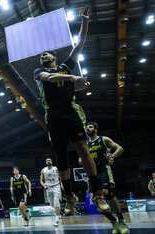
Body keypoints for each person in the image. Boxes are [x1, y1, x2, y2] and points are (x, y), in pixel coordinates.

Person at [33, 5, 109, 215]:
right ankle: (70, 197)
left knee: (83, 149)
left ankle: (98, 193)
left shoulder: (65, 65)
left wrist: (84, 20)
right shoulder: (39, 71)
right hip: (53, 115)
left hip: (71, 111)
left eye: (45, 54)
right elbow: (49, 78)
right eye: (41, 55)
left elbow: (80, 44)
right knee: (61, 159)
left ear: (54, 56)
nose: (42, 56)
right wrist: (72, 77)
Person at [83, 122, 129, 234]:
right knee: (95, 200)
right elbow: (80, 160)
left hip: (104, 169)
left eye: (90, 127)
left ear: (96, 129)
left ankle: (122, 221)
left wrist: (112, 155)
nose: (88, 128)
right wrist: (83, 160)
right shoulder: (85, 144)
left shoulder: (104, 139)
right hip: (92, 173)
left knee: (106, 193)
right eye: (87, 127)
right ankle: (114, 221)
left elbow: (120, 148)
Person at [40, 157, 63, 227]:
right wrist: (44, 186)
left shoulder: (55, 169)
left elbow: (60, 177)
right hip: (48, 188)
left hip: (56, 186)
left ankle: (56, 219)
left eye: (49, 160)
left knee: (56, 202)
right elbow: (41, 181)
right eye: (47, 161)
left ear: (52, 162)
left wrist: (61, 184)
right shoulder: (43, 170)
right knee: (52, 204)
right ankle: (58, 213)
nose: (48, 161)